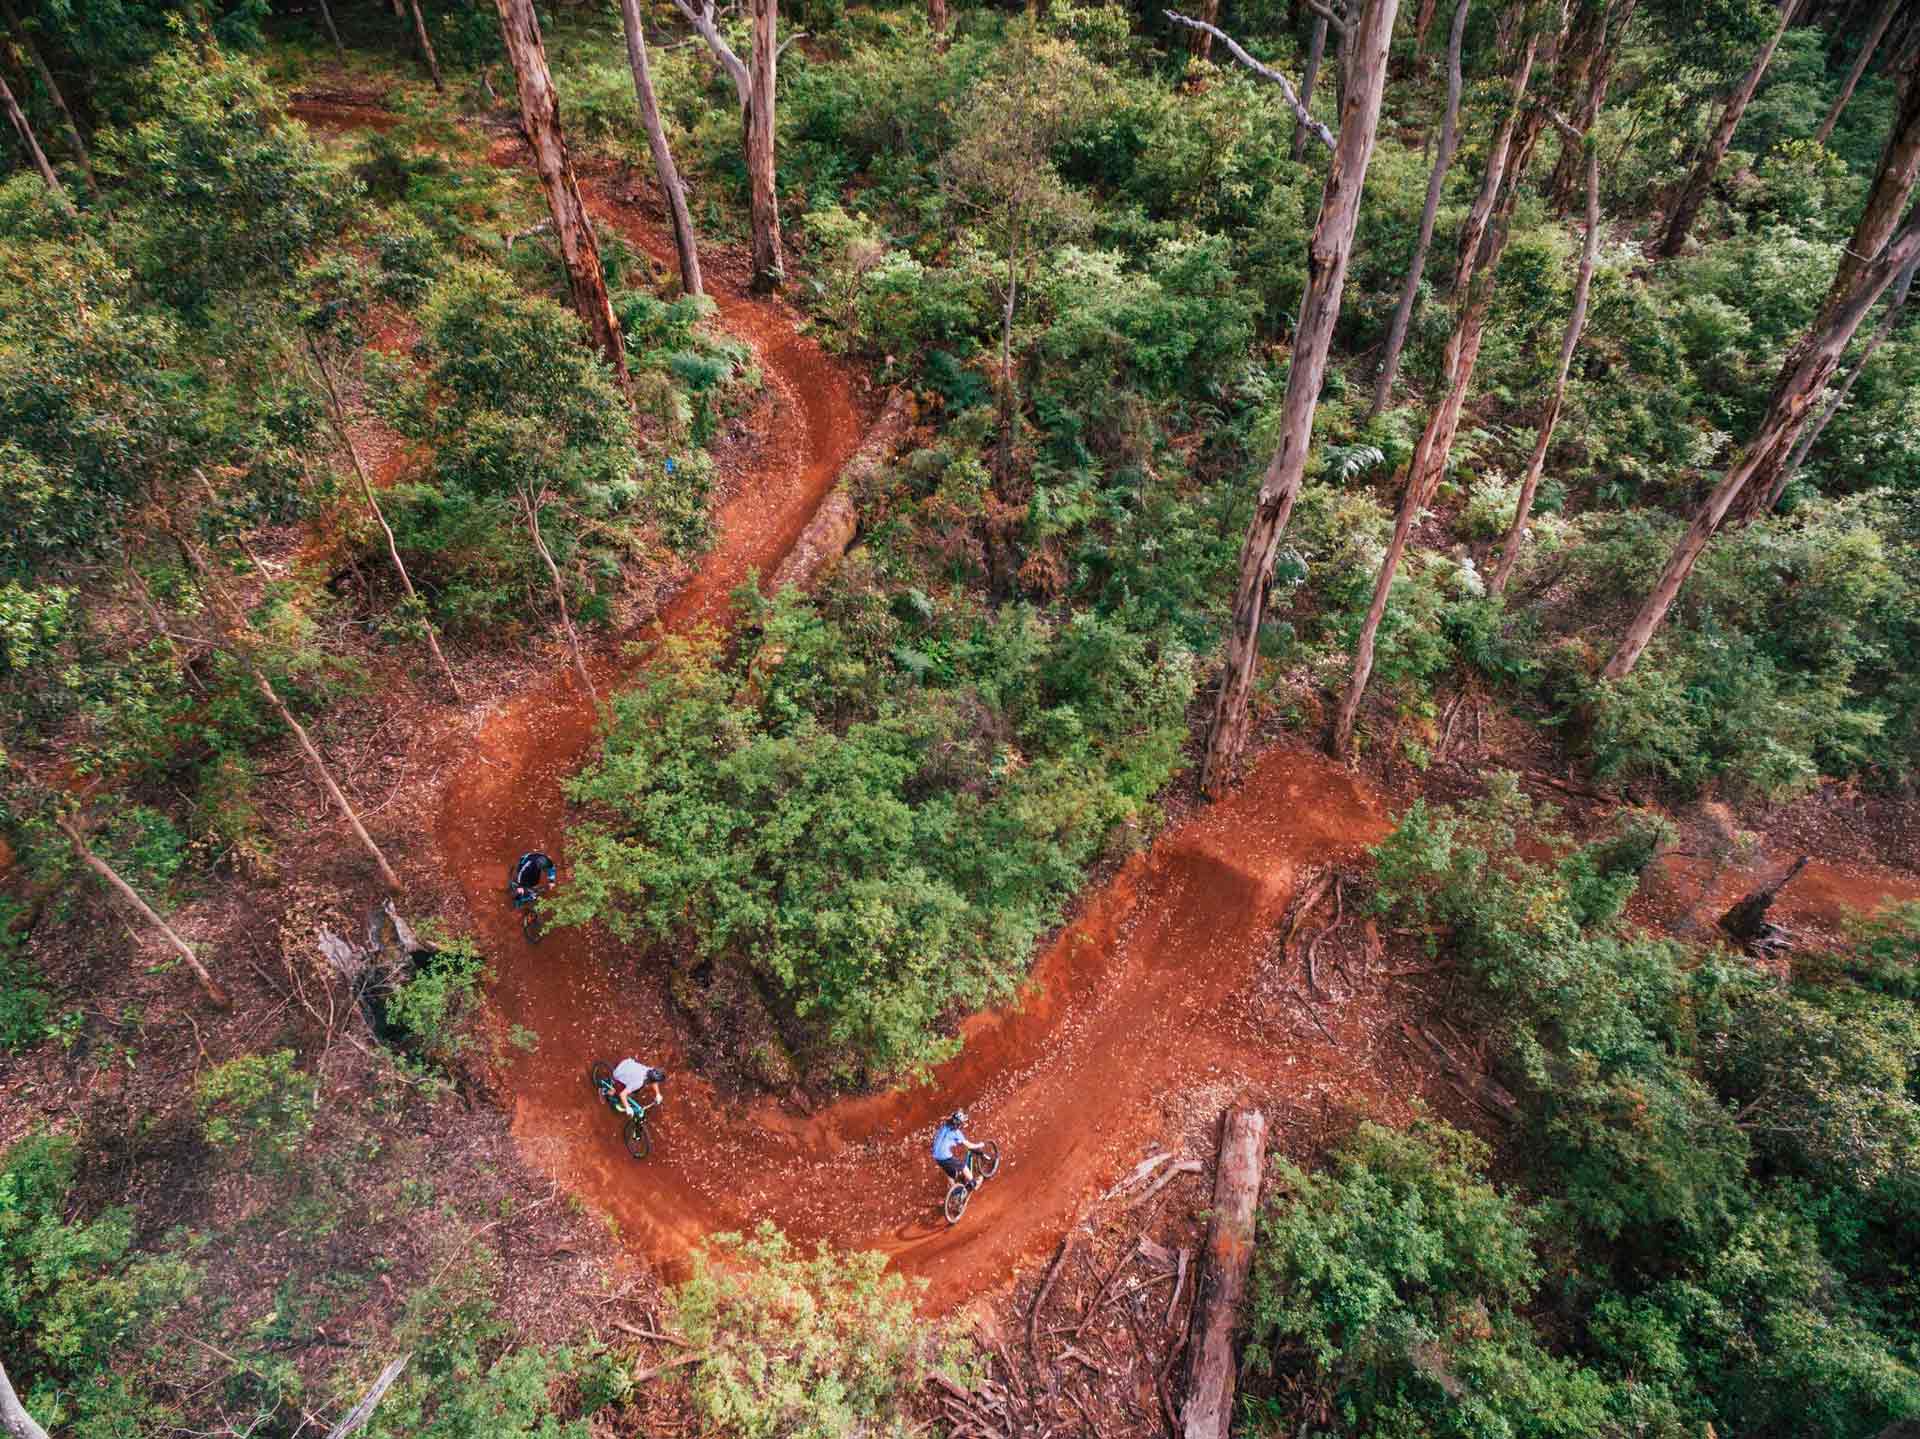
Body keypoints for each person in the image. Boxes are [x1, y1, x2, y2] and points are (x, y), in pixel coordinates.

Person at [932, 1109, 986, 1192]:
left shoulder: (945, 1126)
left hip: (936, 1156)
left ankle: (954, 1191)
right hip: (945, 1156)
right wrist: (980, 1145)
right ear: (959, 1124)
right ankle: (975, 1184)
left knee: (950, 1172)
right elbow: (969, 1145)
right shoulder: (956, 1132)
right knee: (963, 1166)